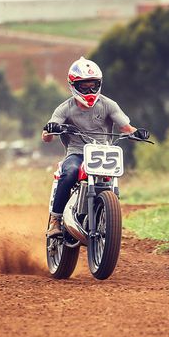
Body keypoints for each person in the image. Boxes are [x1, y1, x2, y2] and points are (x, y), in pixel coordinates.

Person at [42, 56, 149, 237]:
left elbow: (126, 128)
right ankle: (56, 220)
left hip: (103, 153)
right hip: (77, 154)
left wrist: (137, 133)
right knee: (69, 174)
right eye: (84, 86)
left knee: (111, 180)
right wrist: (50, 130)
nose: (90, 89)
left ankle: (110, 219)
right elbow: (46, 137)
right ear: (73, 85)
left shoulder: (108, 105)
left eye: (93, 84)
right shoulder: (64, 108)